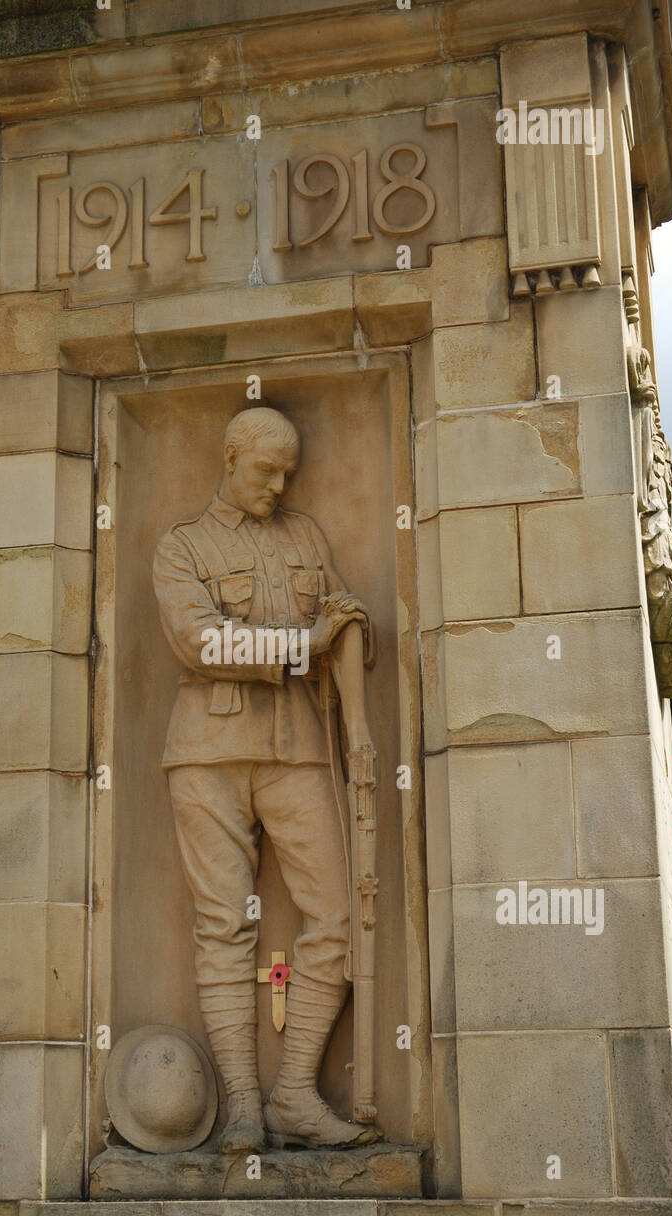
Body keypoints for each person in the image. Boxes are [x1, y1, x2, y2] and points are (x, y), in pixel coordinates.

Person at [153, 406, 380, 1150]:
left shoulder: (306, 536)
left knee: (341, 919)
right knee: (223, 926)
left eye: (288, 473)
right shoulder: (181, 547)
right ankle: (244, 1107)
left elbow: (336, 628)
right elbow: (199, 640)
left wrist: (347, 629)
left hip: (299, 748)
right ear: (229, 458)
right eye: (265, 470)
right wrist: (304, 643)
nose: (279, 486)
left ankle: (294, 1097)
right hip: (207, 751)